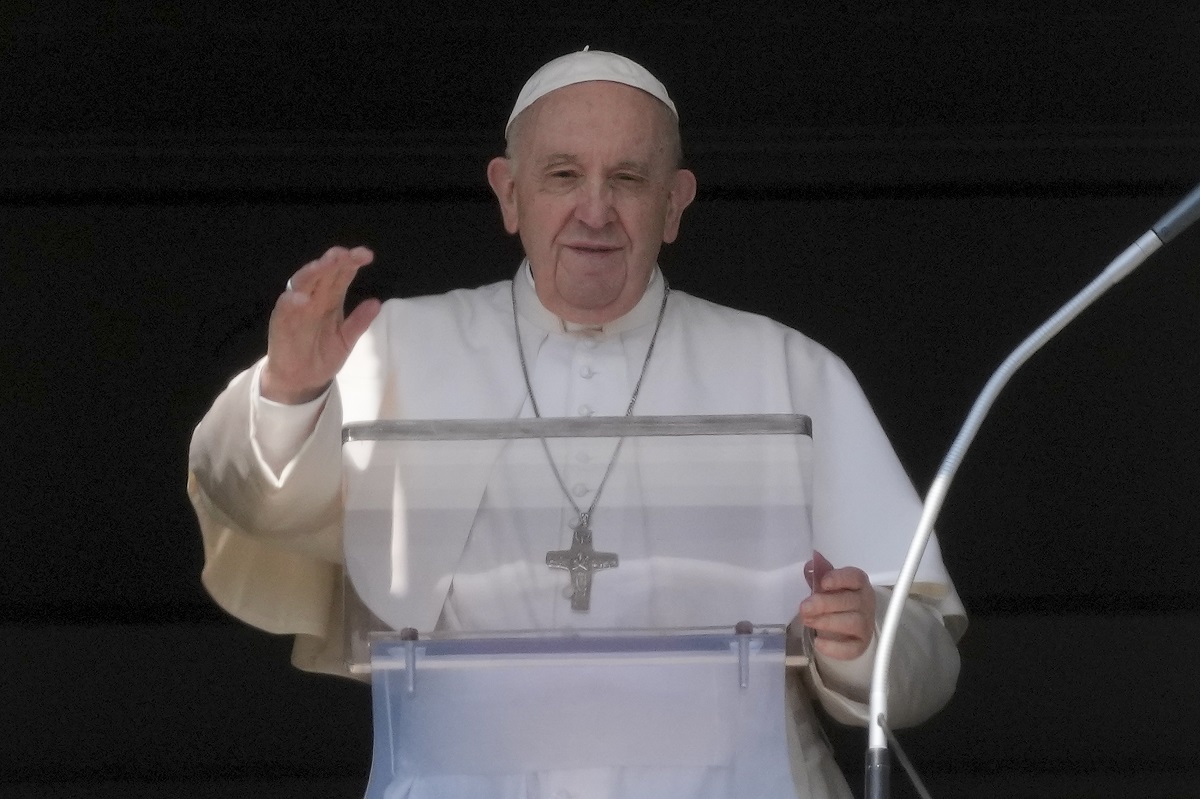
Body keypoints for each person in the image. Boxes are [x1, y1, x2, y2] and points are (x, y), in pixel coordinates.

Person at [188, 50, 965, 798]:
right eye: (563, 175)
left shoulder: (790, 373)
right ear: (509, 192)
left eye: (628, 178)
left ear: (675, 202)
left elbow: (924, 647)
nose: (595, 210)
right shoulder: (398, 349)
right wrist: (290, 390)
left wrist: (862, 644)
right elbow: (260, 502)